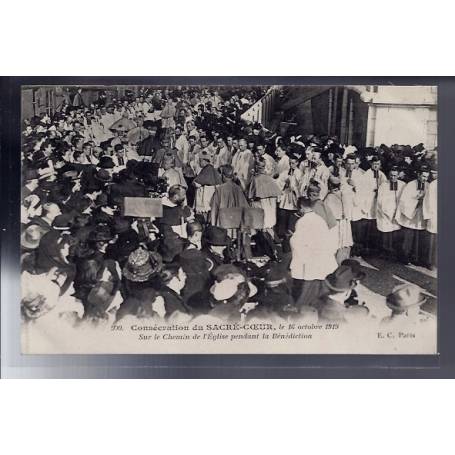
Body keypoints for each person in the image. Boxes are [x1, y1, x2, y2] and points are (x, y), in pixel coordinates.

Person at [290, 197, 338, 306]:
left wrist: (291, 238)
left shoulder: (302, 221)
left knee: (306, 282)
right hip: (322, 254)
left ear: (301, 207)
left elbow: (297, 241)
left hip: (309, 256)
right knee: (319, 280)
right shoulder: (320, 219)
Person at [395, 166, 430, 265]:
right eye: (423, 176)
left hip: (420, 216)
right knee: (407, 238)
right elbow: (403, 201)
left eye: (426, 177)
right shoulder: (410, 185)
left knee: (418, 239)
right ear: (418, 175)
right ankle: (404, 258)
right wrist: (416, 201)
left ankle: (416, 258)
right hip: (410, 216)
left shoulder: (428, 185)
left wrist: (424, 201)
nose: (425, 179)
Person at [376, 166, 405, 258]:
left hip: (397, 212)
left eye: (395, 175)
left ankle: (393, 252)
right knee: (385, 232)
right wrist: (388, 213)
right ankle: (385, 252)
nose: (393, 178)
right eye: (391, 175)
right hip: (385, 212)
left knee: (395, 231)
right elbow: (380, 201)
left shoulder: (403, 185)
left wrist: (397, 212)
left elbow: (404, 200)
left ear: (398, 175)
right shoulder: (383, 185)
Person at [361, 156, 387, 254]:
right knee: (368, 224)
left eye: (378, 164)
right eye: (374, 164)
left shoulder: (382, 175)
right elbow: (363, 188)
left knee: (376, 223)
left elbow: (385, 187)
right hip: (369, 200)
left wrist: (380, 191)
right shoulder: (366, 175)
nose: (376, 166)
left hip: (377, 201)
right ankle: (366, 246)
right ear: (371, 164)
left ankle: (374, 247)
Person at [324, 176, 354, 264]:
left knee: (334, 244)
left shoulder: (329, 197)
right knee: (343, 243)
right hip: (344, 223)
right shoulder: (344, 194)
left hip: (335, 223)